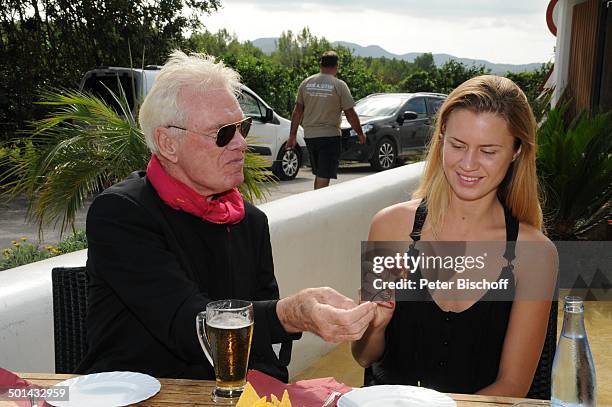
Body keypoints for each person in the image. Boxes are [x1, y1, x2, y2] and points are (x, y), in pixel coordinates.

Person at [78, 50, 377, 382]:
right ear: (168, 143)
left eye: (242, 128)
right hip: (137, 395)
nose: (240, 144)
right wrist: (291, 315)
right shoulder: (122, 214)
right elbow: (186, 323)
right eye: (222, 134)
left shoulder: (248, 221)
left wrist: (268, 391)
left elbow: (263, 350)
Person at [351, 75, 558, 397]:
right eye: (458, 145)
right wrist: (374, 323)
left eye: (488, 151)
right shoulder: (389, 227)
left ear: (517, 151)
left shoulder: (536, 254)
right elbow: (364, 355)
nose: (468, 164)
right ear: (441, 138)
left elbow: (513, 386)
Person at [287, 51, 365, 190]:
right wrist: (359, 132)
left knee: (319, 173)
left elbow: (297, 111)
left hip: (310, 136)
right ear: (336, 67)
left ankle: (317, 201)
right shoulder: (339, 85)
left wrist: (292, 136)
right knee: (323, 175)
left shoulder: (306, 83)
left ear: (320, 65)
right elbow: (350, 113)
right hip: (330, 137)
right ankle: (318, 205)